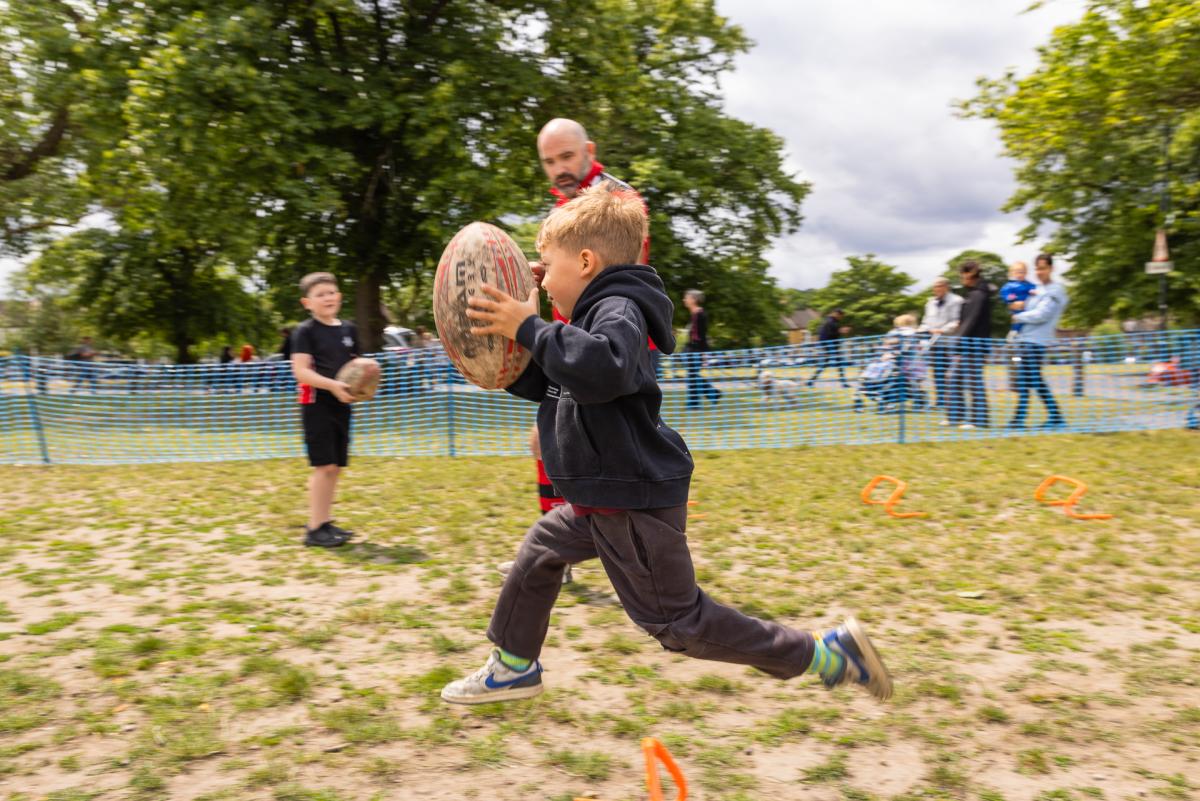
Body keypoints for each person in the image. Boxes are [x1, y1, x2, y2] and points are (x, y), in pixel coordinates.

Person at [440, 185, 892, 706]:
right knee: (540, 551)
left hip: (630, 502)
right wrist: (503, 359)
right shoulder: (586, 319)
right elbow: (560, 381)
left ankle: (826, 652)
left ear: (586, 261)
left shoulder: (618, 309)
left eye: (546, 266)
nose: (538, 282)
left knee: (678, 623)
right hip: (600, 497)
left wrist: (531, 327)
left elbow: (600, 368)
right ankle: (514, 666)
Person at [524, 118, 653, 552]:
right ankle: (555, 552)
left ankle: (634, 544)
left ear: (589, 150)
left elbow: (615, 274)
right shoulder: (561, 207)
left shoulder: (618, 200)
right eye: (549, 161)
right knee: (547, 439)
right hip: (567, 335)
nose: (559, 168)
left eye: (567, 156)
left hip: (608, 340)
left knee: (612, 452)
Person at [289, 272, 360, 548]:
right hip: (316, 404)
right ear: (307, 303)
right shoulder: (305, 332)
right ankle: (314, 529)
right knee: (324, 466)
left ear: (339, 296)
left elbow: (357, 367)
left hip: (341, 404)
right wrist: (333, 385)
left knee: (336, 467)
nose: (328, 298)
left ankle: (325, 522)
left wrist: (362, 385)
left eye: (331, 292)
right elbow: (301, 372)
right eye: (320, 294)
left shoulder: (349, 329)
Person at [1008, 254, 1067, 429]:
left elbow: (1043, 314)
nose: (1039, 272)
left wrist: (1018, 316)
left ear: (1051, 268)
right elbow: (1026, 306)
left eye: (1043, 268)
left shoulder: (1056, 290)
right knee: (1027, 381)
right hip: (1025, 341)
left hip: (1036, 342)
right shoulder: (1037, 289)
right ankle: (1021, 419)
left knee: (1033, 380)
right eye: (1037, 268)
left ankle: (1053, 417)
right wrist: (1018, 304)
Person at [943, 260, 993, 430]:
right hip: (967, 344)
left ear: (969, 275)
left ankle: (979, 420)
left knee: (974, 381)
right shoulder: (973, 294)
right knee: (953, 377)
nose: (961, 279)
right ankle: (955, 417)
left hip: (974, 345)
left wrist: (957, 343)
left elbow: (971, 322)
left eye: (962, 275)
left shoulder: (979, 295)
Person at [919, 277, 962, 408]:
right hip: (935, 343)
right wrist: (922, 330)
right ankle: (940, 400)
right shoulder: (930, 302)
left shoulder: (957, 301)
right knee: (937, 372)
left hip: (950, 342)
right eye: (935, 286)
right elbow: (926, 321)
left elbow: (957, 321)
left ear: (947, 287)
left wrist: (941, 330)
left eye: (940, 286)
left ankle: (954, 400)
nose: (937, 289)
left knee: (952, 372)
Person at [682, 289, 721, 409]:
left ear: (694, 300)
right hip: (691, 349)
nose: (684, 300)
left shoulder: (700, 315)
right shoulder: (694, 314)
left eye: (687, 297)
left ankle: (694, 403)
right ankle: (713, 394)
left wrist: (704, 354)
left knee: (692, 376)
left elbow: (702, 336)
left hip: (697, 350)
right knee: (692, 375)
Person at [807, 309, 851, 388]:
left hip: (830, 347)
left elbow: (832, 335)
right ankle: (844, 383)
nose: (841, 318)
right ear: (837, 314)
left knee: (825, 364)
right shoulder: (829, 322)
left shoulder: (832, 322)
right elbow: (827, 335)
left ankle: (810, 381)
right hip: (830, 347)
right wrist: (840, 331)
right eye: (841, 316)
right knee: (839, 363)